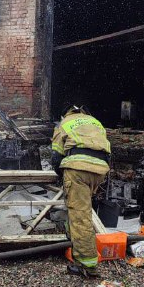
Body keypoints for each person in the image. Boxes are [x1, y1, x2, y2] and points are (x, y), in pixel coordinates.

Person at [51, 105, 111, 278]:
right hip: (100, 169)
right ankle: (75, 244)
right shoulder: (95, 122)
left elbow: (56, 157)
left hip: (77, 169)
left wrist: (60, 174)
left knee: (80, 215)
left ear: (66, 113)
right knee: (83, 210)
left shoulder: (64, 123)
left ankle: (87, 265)